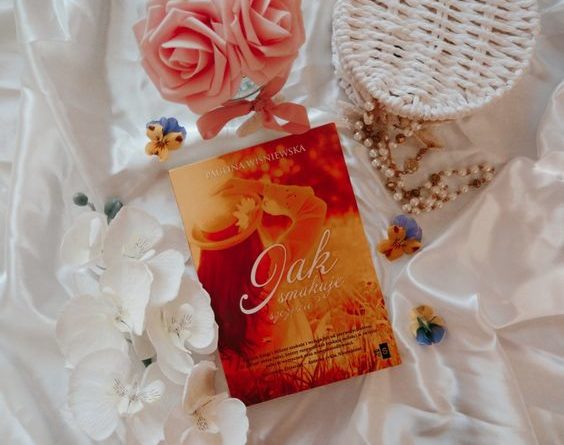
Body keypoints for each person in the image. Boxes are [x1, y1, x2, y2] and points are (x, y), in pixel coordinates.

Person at [191, 177, 327, 361]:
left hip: (242, 375)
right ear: (250, 230)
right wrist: (259, 187)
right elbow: (315, 207)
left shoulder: (199, 289)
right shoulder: (273, 262)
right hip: (291, 366)